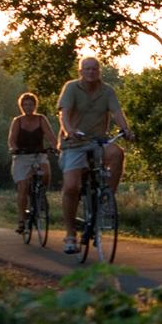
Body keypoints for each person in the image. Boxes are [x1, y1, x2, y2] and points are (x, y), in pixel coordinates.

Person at [57, 56, 134, 254]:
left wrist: (126, 129)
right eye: (87, 69)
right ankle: (70, 234)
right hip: (74, 142)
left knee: (116, 153)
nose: (91, 72)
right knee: (72, 187)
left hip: (98, 141)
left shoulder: (107, 91)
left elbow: (117, 112)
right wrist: (68, 130)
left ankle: (106, 199)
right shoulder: (72, 88)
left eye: (95, 69)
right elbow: (64, 113)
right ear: (80, 71)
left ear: (99, 71)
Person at [7, 92, 58, 234]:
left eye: (30, 105)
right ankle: (22, 220)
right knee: (23, 187)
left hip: (38, 154)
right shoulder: (17, 121)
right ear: (21, 106)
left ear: (35, 106)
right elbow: (12, 139)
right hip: (22, 156)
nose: (28, 107)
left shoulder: (41, 119)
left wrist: (56, 147)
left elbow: (51, 136)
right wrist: (14, 149)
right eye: (25, 105)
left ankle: (41, 195)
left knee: (46, 172)